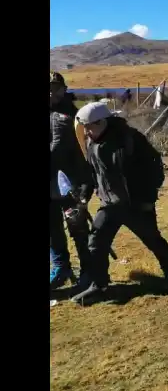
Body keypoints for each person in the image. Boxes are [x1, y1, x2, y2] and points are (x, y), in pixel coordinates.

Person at [69, 103, 168, 304]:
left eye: (89, 126)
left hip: (135, 204)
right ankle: (99, 286)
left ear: (102, 122)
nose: (86, 131)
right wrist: (84, 196)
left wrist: (147, 198)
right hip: (109, 204)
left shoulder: (130, 139)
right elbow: (92, 174)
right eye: (84, 127)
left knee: (153, 240)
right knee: (96, 243)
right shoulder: (91, 144)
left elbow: (154, 167)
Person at [49, 71, 93, 289]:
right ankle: (61, 268)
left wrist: (87, 183)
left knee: (78, 229)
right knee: (52, 229)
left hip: (71, 183)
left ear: (63, 89)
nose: (51, 92)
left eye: (55, 87)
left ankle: (89, 271)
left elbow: (86, 151)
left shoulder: (74, 116)